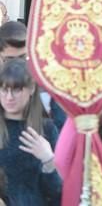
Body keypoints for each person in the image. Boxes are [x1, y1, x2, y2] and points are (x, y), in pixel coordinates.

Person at [0, 58, 62, 205]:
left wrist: (48, 160)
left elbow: (57, 194)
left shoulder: (47, 129)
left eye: (17, 89)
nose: (9, 97)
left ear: (32, 89)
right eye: (4, 89)